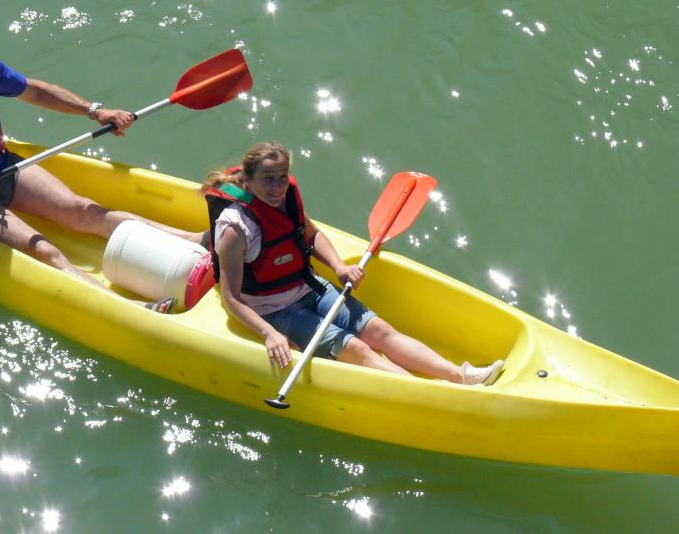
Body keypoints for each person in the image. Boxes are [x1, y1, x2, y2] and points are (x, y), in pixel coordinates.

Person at [0, 15, 200, 312]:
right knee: (43, 250)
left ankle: (195, 241)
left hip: (0, 167)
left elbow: (33, 91)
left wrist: (94, 111)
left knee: (83, 210)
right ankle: (131, 309)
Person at [203, 141, 505, 385]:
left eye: (282, 177)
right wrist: (269, 333)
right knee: (358, 348)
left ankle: (458, 376)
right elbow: (231, 298)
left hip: (309, 287)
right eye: (268, 179)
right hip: (274, 310)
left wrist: (338, 266)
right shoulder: (234, 228)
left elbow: (310, 234)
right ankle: (430, 393)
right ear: (248, 181)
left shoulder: (285, 200)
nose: (277, 186)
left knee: (380, 332)